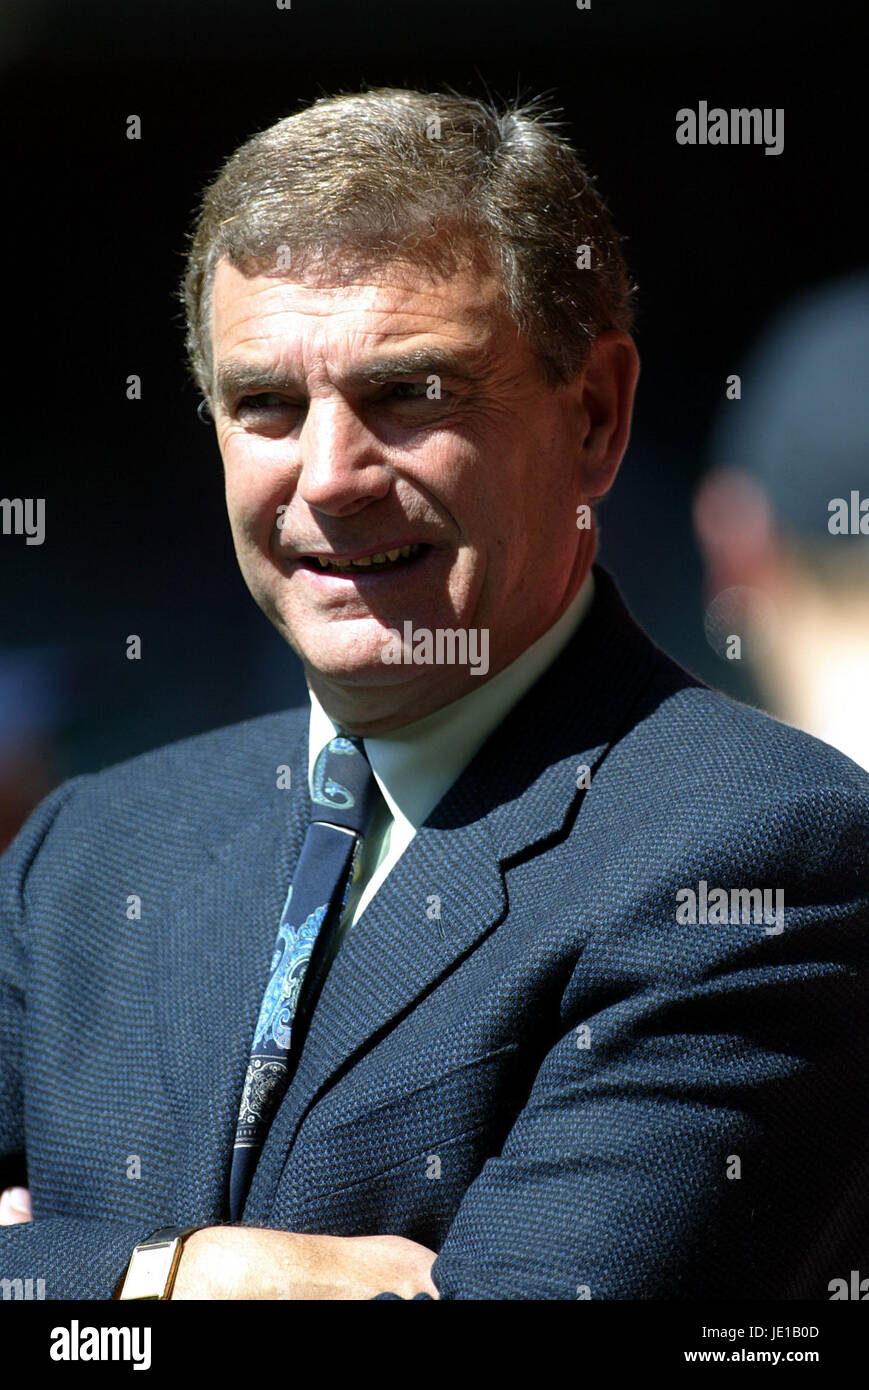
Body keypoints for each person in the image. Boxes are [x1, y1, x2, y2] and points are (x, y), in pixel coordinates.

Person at [1, 87, 867, 1301]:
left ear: (596, 418)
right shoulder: (91, 850)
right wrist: (171, 1280)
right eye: (265, 404)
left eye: (409, 394)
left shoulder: (758, 846)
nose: (329, 476)